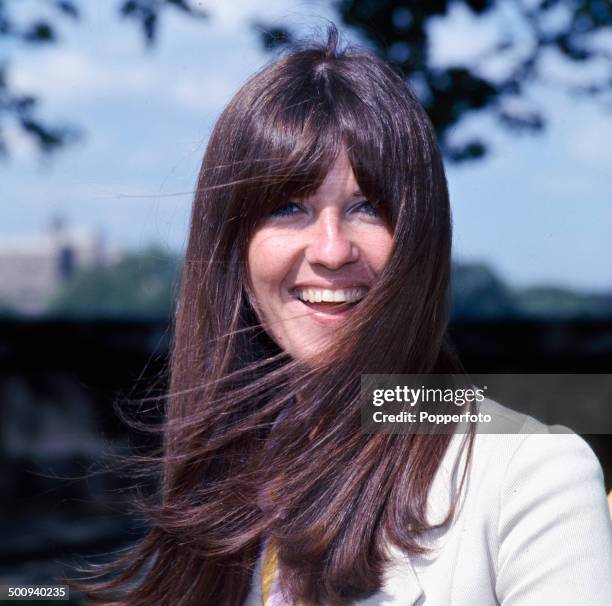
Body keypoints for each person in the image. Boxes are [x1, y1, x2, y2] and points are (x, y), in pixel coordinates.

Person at [78, 26, 612, 606]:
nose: (332, 250)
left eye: (368, 207)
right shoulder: (229, 477)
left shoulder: (530, 473)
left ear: (420, 240)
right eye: (289, 207)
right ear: (232, 245)